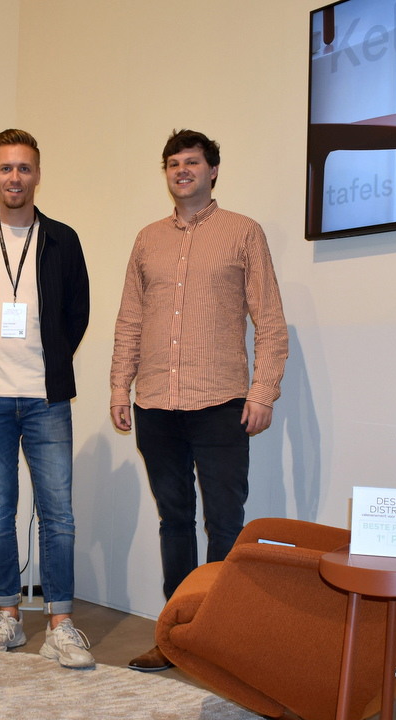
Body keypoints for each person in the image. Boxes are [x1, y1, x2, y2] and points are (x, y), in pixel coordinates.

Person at [110, 129, 288, 672]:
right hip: (156, 403)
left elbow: (270, 321)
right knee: (174, 520)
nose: (182, 170)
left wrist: (263, 391)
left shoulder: (243, 233)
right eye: (173, 163)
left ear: (213, 170)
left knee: (226, 523)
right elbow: (130, 320)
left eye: (192, 162)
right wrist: (119, 386)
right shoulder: (147, 240)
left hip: (221, 403)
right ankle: (176, 636)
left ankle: (221, 638)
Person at [0, 129, 94, 668]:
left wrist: (51, 359)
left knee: (58, 512)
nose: (15, 177)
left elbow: (77, 312)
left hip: (45, 397)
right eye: (6, 168)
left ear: (37, 175)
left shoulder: (62, 239)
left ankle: (61, 623)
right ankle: (7, 614)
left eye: (24, 168)